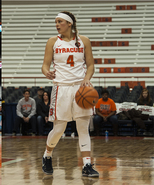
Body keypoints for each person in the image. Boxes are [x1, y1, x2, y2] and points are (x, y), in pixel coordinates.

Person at [41, 11, 99, 177]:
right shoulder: (52, 41)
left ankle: (87, 165)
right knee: (59, 128)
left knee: (83, 128)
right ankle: (47, 155)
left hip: (81, 88)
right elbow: (44, 65)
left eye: (60, 21)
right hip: (61, 88)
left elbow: (90, 66)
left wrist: (87, 79)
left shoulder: (84, 41)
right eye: (56, 22)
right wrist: (47, 72)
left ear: (69, 23)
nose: (57, 24)